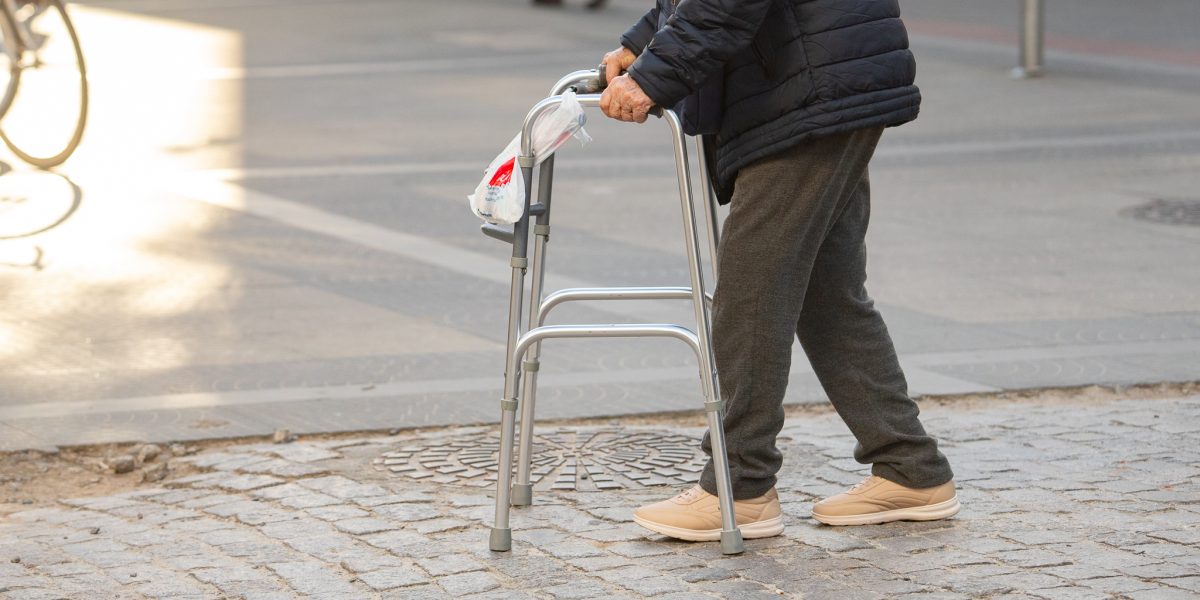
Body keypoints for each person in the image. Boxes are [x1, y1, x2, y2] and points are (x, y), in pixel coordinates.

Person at [598, 0, 959, 541]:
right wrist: (646, 38)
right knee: (825, 293)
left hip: (807, 87)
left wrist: (655, 73)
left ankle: (739, 486)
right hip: (812, 81)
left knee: (752, 291)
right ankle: (911, 469)